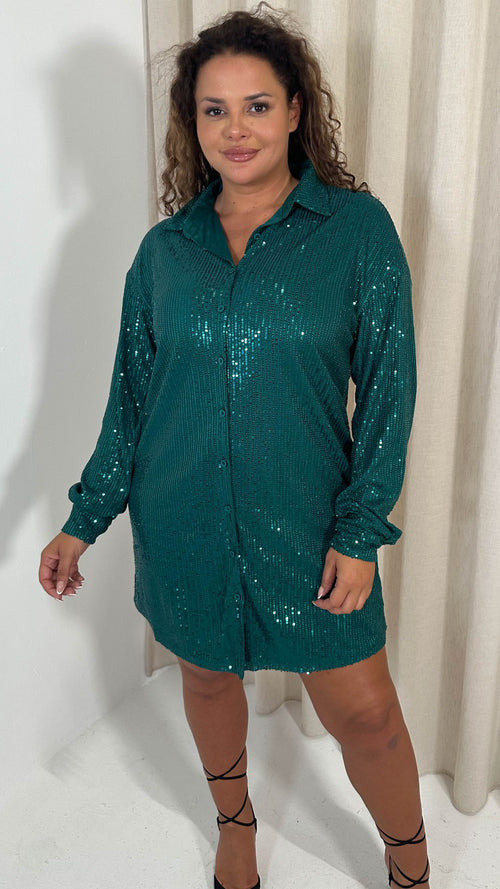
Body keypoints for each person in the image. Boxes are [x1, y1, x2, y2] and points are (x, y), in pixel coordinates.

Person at [39, 5, 430, 888]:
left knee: (367, 714)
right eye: (214, 110)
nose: (236, 128)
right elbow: (132, 399)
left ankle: (410, 866)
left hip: (311, 526)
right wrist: (82, 520)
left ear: (295, 110)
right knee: (209, 680)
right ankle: (236, 827)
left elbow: (390, 392)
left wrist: (360, 530)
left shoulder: (355, 232)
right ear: (194, 123)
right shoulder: (164, 254)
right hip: (184, 519)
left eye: (257, 105)